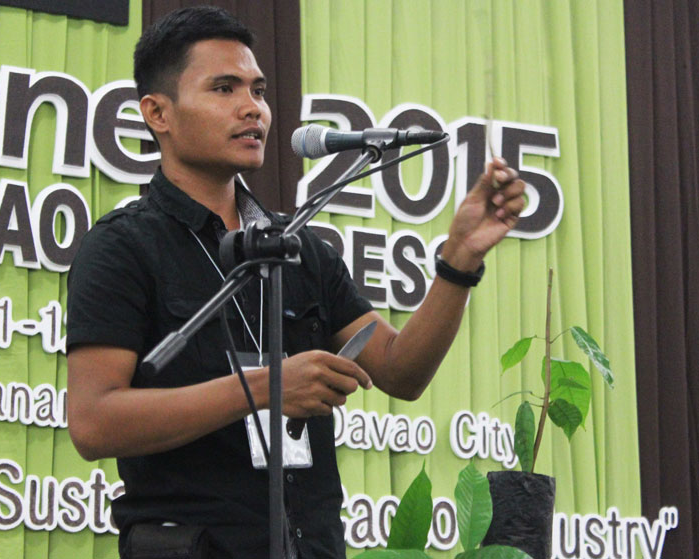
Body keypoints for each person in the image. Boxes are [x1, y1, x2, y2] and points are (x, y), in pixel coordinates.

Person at [65, 6, 525, 559]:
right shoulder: (123, 246)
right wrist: (267, 388)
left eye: (258, 91)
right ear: (157, 112)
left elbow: (401, 372)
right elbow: (94, 422)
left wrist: (459, 260)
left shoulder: (300, 248)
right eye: (224, 88)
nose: (252, 109)